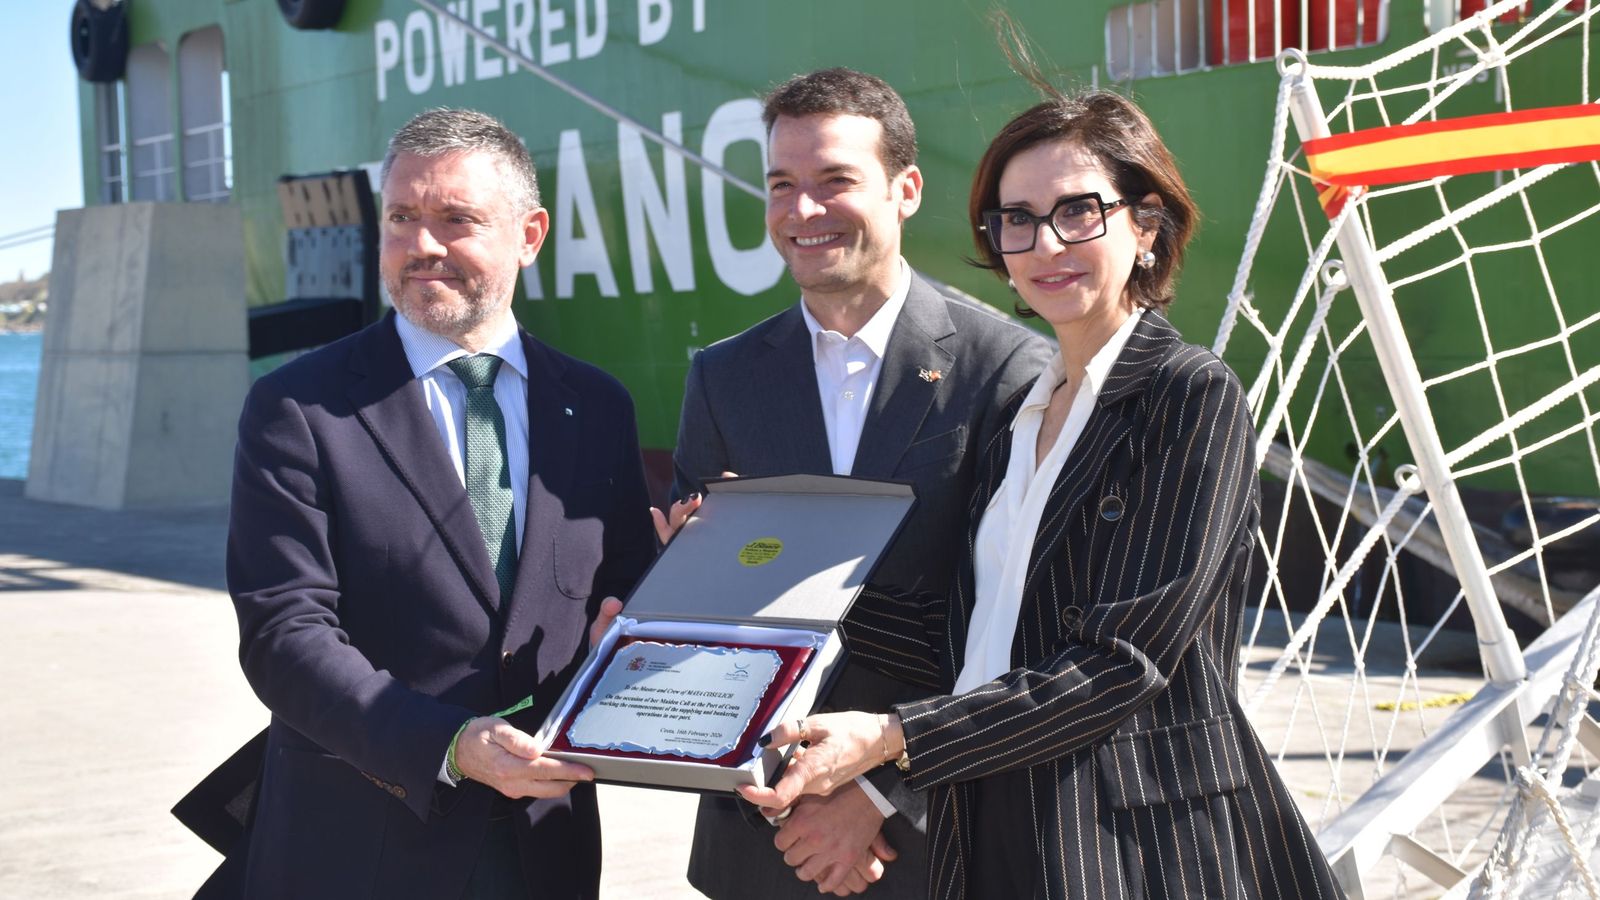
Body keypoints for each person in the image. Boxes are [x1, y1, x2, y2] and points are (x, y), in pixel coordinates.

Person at [739, 90, 1348, 900]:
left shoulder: (1189, 395)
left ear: (1145, 226)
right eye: (1017, 219)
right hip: (994, 828)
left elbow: (1120, 664)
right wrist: (752, 564)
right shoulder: (1023, 414)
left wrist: (889, 737)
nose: (1045, 244)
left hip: (1137, 847)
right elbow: (966, 627)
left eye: (1079, 213)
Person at [222, 108, 655, 899]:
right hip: (361, 846)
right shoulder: (297, 408)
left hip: (545, 846)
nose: (423, 246)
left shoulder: (597, 407)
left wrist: (675, 591)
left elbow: (623, 590)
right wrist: (449, 744)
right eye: (401, 218)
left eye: (457, 220)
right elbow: (284, 634)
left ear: (529, 236)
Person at [672, 69, 1050, 898]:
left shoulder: (1008, 371)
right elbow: (711, 621)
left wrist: (883, 795)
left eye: (835, 181)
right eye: (781, 185)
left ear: (905, 188)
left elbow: (1019, 626)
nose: (803, 212)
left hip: (933, 838)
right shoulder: (723, 379)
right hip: (758, 842)